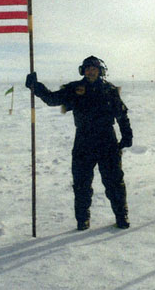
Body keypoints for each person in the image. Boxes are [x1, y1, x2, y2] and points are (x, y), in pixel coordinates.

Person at [25, 56, 133, 230]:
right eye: (88, 68)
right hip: (83, 141)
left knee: (114, 182)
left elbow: (122, 114)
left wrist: (127, 135)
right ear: (83, 70)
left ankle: (122, 216)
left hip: (107, 141)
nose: (91, 71)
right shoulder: (75, 88)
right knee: (81, 183)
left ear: (100, 71)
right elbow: (52, 99)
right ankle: (83, 219)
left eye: (94, 68)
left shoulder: (109, 90)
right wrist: (35, 87)